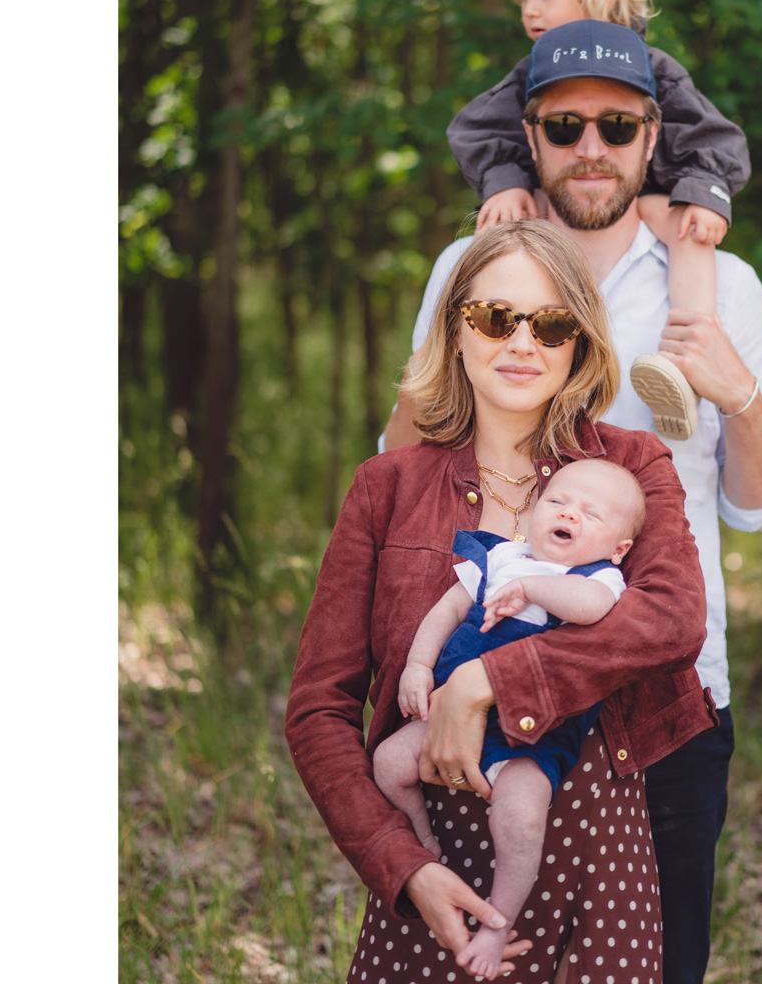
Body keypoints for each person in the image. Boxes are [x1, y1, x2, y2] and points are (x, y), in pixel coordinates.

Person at [385, 19, 762, 984]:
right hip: (480, 680)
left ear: (655, 138)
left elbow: (761, 504)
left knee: (660, 967)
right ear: (526, 136)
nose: (591, 149)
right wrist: (443, 354)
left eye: (617, 127)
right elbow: (408, 465)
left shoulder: (720, 286)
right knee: (479, 957)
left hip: (668, 696)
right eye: (564, 125)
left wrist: (736, 392)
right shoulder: (469, 270)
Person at [288, 220, 718, 984]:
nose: (522, 342)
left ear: (580, 345)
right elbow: (319, 709)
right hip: (435, 861)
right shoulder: (384, 488)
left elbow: (671, 619)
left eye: (550, 325)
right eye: (495, 318)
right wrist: (402, 865)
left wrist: (490, 682)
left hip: (595, 847)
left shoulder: (630, 463)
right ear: (455, 331)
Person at [446, 0, 752, 441]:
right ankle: (488, 366)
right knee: (509, 229)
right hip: (562, 209)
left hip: (648, 203)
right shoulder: (529, 74)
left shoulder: (655, 72)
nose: (529, 10)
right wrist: (506, 179)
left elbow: (713, 138)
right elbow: (478, 129)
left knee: (687, 229)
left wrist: (705, 194)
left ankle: (685, 362)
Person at [373, 459, 648, 980]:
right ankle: (423, 839)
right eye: (559, 501)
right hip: (448, 711)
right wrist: (417, 665)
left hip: (531, 736)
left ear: (618, 547)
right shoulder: (501, 557)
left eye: (592, 513)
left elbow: (589, 609)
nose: (570, 513)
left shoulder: (598, 577)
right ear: (535, 511)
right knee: (388, 762)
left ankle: (497, 923)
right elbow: (448, 611)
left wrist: (534, 590)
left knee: (521, 817)